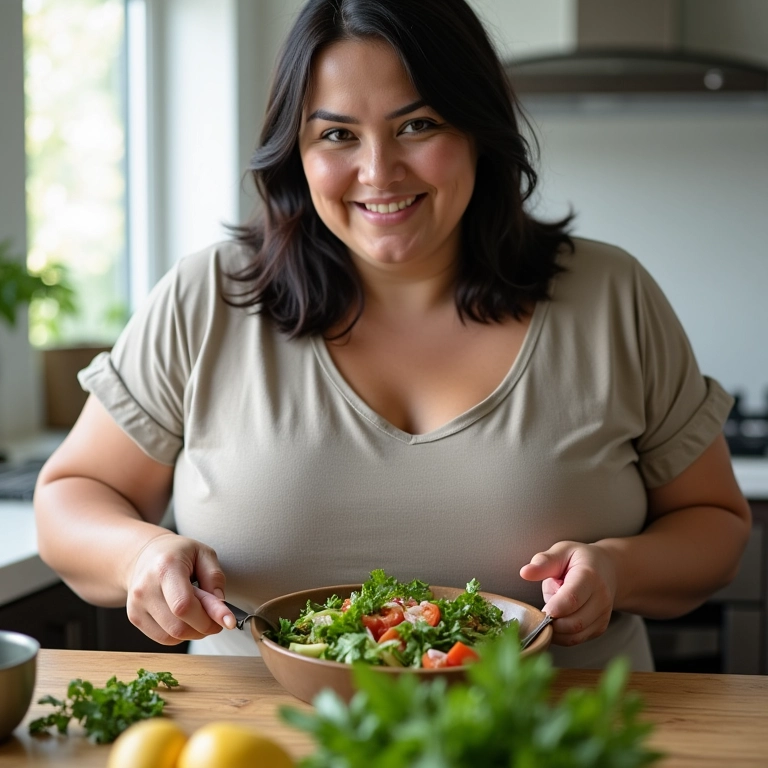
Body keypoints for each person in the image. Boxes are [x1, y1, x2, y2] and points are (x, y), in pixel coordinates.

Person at [34, 0, 750, 671]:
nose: (378, 172)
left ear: (477, 130)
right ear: (297, 151)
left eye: (418, 125)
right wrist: (139, 555)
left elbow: (713, 525)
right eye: (337, 134)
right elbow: (73, 495)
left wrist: (621, 569)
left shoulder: (611, 296)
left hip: (556, 740)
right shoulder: (205, 299)